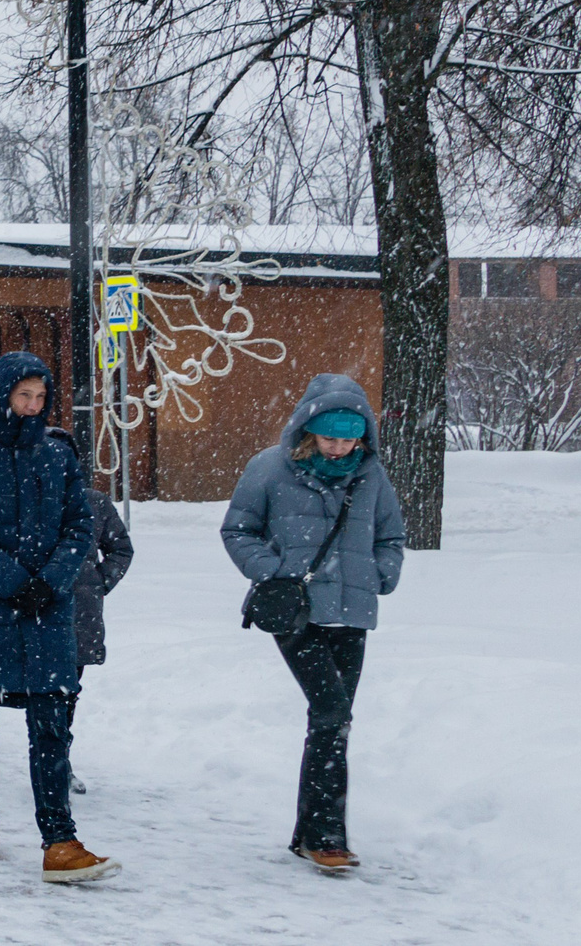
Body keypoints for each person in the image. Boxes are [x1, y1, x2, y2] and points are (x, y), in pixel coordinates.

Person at [0, 352, 117, 883]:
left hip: (47, 612)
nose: (33, 407)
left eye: (40, 397)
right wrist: (13, 581)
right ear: (1, 396)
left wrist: (51, 581)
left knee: (53, 723)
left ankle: (59, 840)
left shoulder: (58, 458)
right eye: (23, 396)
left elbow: (81, 526)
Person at [220, 374, 406, 875]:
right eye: (330, 437)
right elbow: (238, 530)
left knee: (334, 721)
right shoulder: (269, 469)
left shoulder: (372, 476)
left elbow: (391, 537)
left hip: (352, 611)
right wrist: (273, 571)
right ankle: (327, 836)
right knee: (330, 709)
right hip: (295, 611)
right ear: (308, 430)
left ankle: (311, 833)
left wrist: (382, 574)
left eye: (349, 438)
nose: (340, 447)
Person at [45, 425, 134, 794]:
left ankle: (58, 762)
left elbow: (121, 550)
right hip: (34, 613)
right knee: (41, 693)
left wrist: (98, 583)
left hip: (79, 614)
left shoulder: (94, 503)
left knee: (67, 691)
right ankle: (46, 759)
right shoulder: (21, 504)